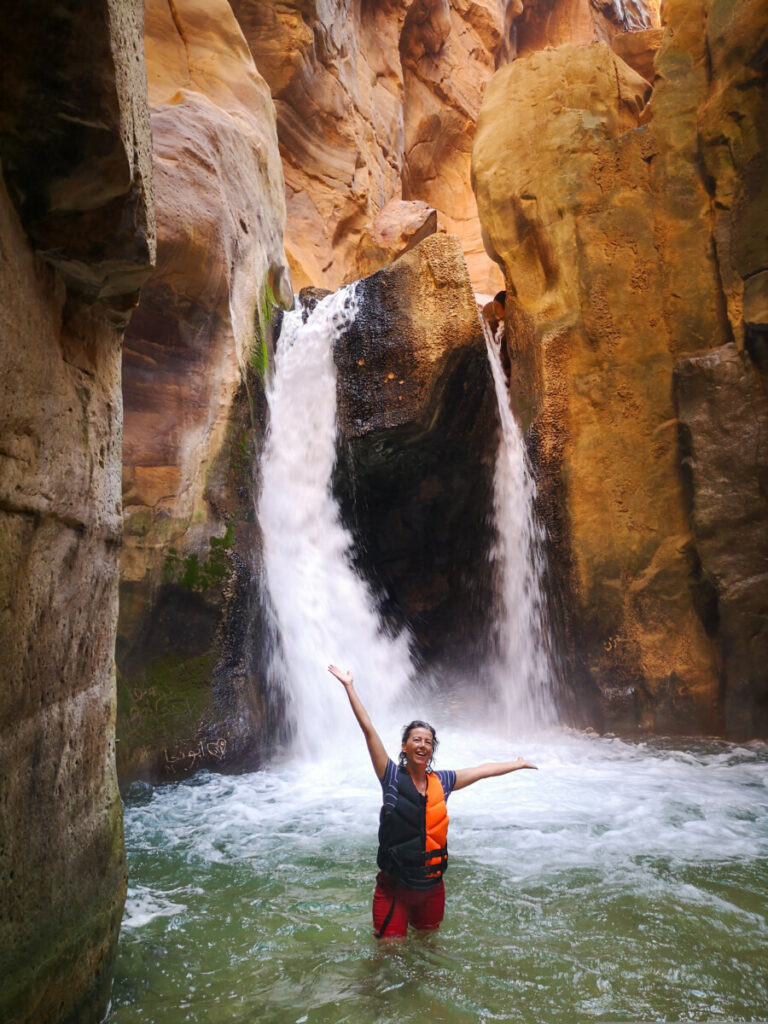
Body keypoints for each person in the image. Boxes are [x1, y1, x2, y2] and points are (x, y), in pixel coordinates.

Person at [327, 664, 537, 939]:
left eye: (428, 742)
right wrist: (349, 687)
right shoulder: (390, 776)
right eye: (416, 739)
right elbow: (368, 730)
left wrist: (517, 764)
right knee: (389, 956)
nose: (423, 745)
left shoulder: (444, 781)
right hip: (395, 890)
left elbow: (481, 770)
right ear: (405, 746)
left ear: (432, 750)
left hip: (432, 888)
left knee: (428, 951)